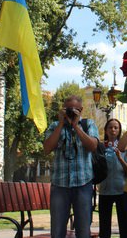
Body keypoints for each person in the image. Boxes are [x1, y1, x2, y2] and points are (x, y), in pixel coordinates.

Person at [43, 95, 99, 238]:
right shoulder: (55, 126)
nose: (70, 112)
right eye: (67, 109)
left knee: (83, 230)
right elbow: (47, 148)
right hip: (60, 185)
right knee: (57, 230)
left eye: (74, 110)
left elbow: (93, 146)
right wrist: (61, 124)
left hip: (83, 184)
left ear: (81, 110)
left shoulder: (89, 124)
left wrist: (76, 126)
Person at [98, 118, 127, 238]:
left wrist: (120, 157)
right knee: (104, 228)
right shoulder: (100, 146)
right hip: (105, 191)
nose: (113, 130)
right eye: (110, 127)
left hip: (122, 190)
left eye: (116, 127)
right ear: (105, 130)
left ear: (119, 130)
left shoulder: (124, 146)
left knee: (125, 225)